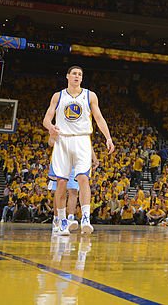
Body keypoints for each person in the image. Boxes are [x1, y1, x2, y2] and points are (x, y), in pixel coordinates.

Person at [43, 65, 115, 236]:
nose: (77, 76)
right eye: (74, 73)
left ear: (82, 78)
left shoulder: (90, 95)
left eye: (80, 74)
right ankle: (61, 221)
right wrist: (50, 127)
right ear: (67, 76)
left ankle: (85, 219)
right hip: (63, 140)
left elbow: (98, 117)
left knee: (83, 178)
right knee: (61, 182)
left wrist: (108, 137)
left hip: (82, 139)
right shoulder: (58, 96)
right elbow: (46, 118)